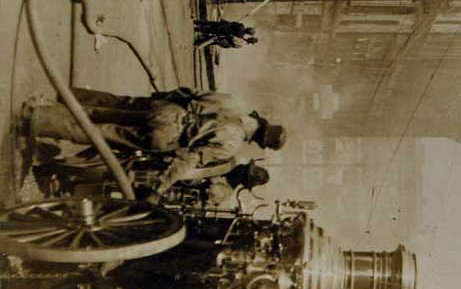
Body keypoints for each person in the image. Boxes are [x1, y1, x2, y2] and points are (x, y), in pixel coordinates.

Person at [27, 87, 285, 195]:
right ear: (258, 140)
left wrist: (162, 98)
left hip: (166, 111)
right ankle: (39, 123)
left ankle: (45, 109)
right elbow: (189, 159)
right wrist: (160, 188)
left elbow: (190, 92)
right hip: (166, 138)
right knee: (98, 133)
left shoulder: (235, 102)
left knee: (101, 112)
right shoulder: (231, 145)